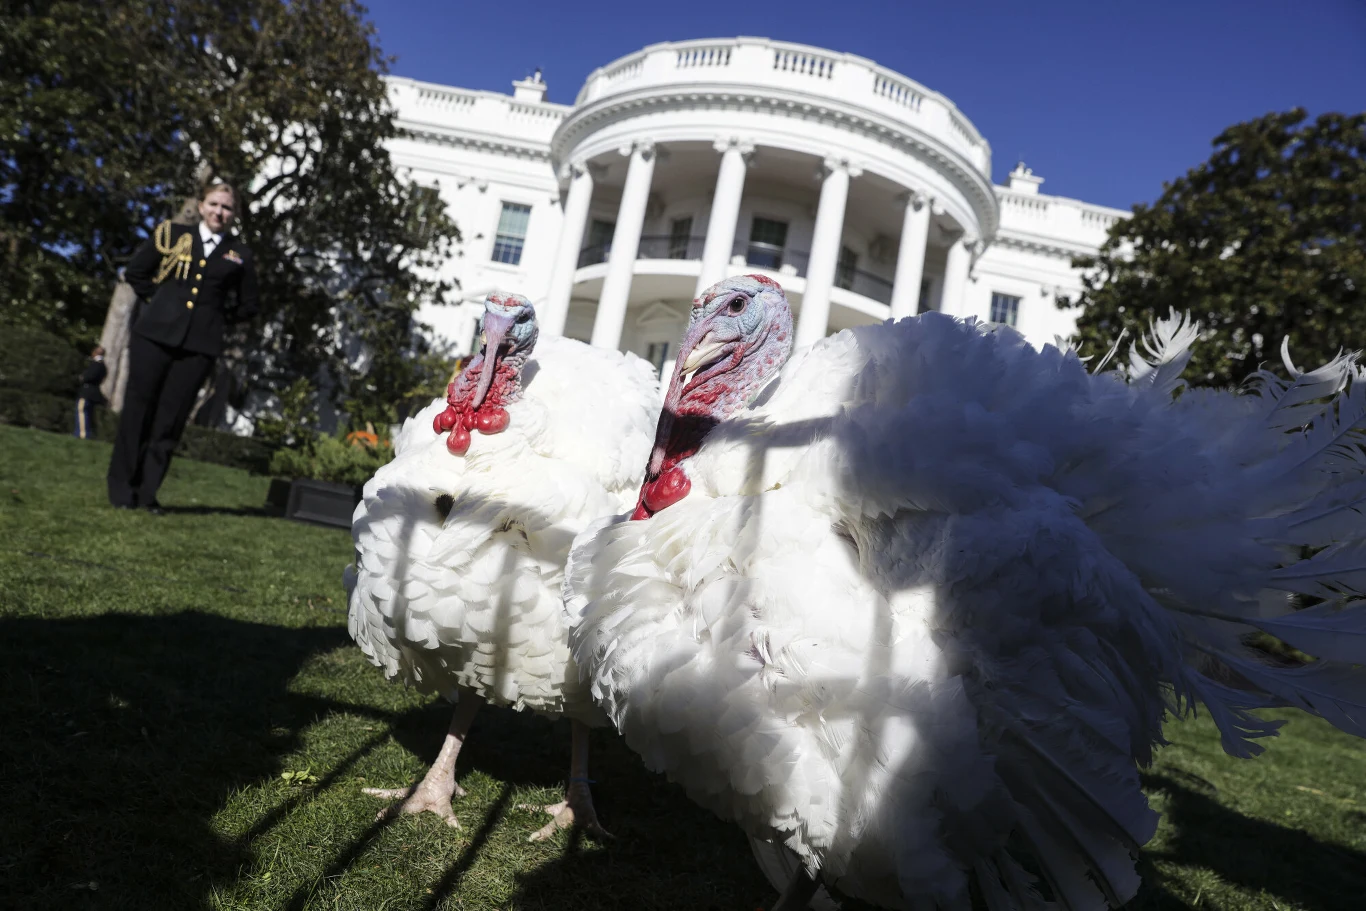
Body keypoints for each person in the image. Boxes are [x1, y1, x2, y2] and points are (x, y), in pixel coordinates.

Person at [107, 184, 260, 513]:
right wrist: (160, 304)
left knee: (170, 420)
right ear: (201, 206)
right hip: (154, 337)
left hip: (198, 346)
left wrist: (217, 319)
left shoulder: (240, 254)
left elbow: (249, 305)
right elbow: (136, 272)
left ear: (234, 214)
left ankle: (147, 494)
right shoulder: (173, 235)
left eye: (227, 207)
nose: (219, 212)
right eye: (214, 204)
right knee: (137, 412)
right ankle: (121, 491)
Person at [74, 345, 107, 439]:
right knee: (88, 413)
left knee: (81, 411)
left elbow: (89, 376)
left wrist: (82, 377)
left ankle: (82, 434)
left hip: (87, 392)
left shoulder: (96, 364)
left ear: (95, 353)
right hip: (94, 392)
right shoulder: (103, 366)